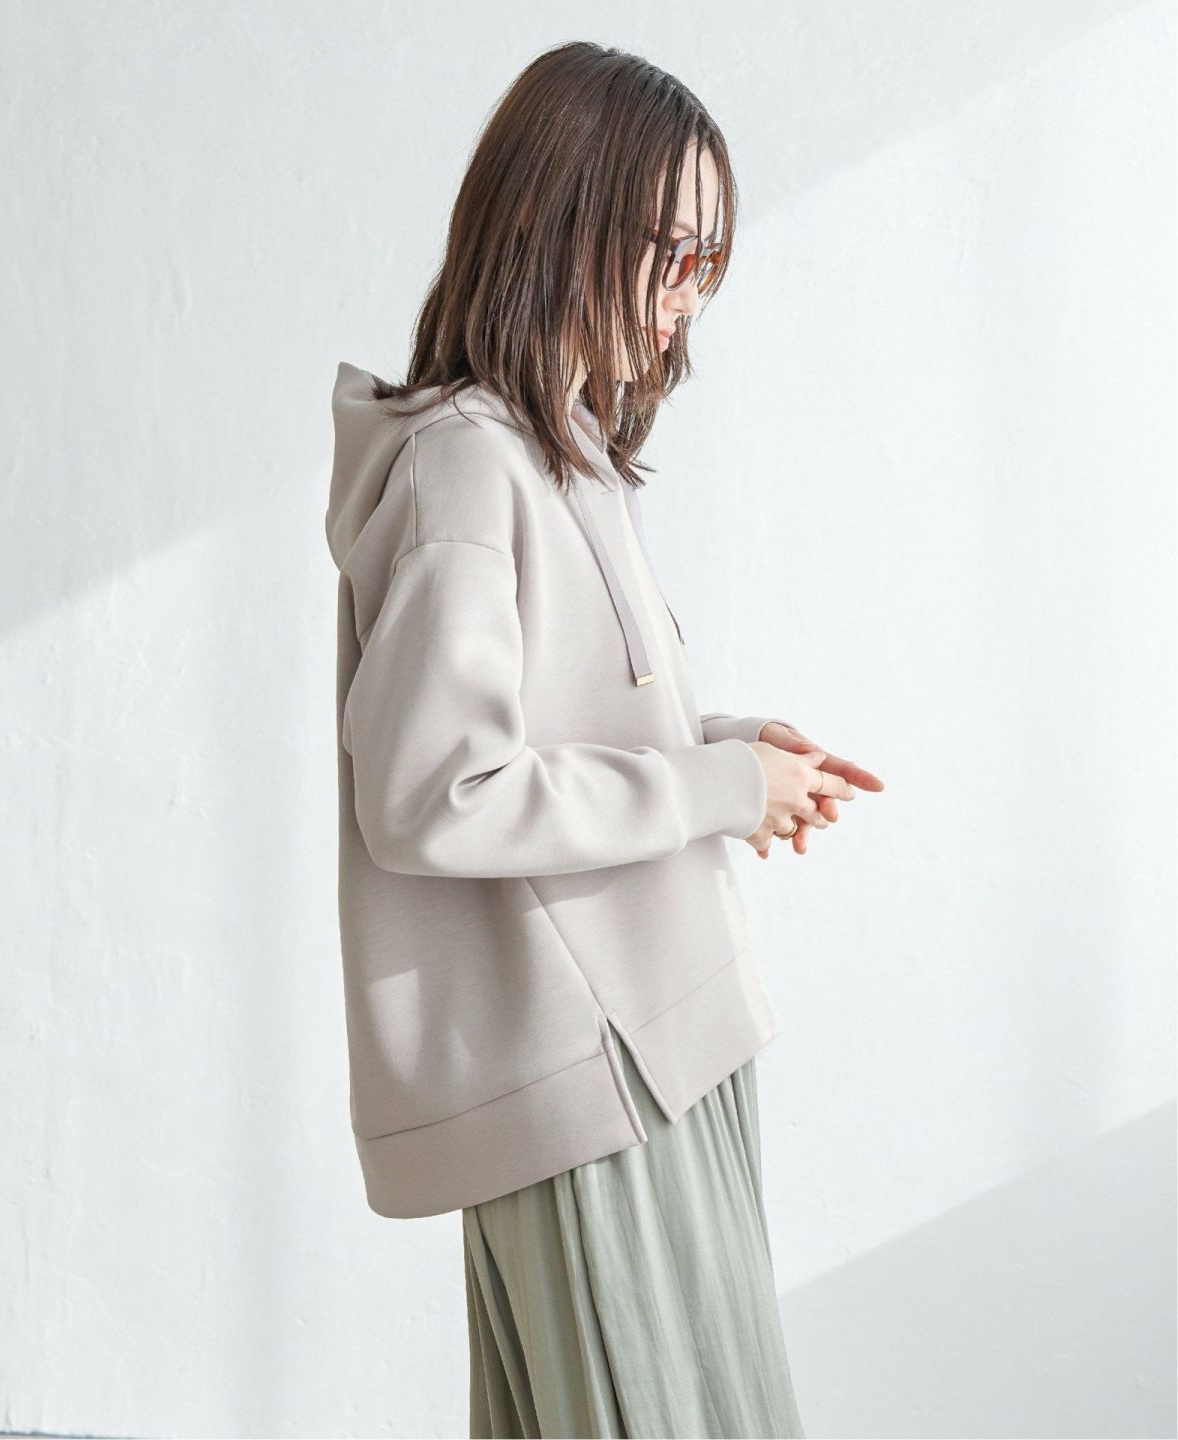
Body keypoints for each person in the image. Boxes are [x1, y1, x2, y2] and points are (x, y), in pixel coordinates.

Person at [325, 38, 884, 1440]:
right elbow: (439, 792)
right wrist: (717, 785)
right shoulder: (467, 462)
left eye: (712, 262)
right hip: (590, 1077)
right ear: (559, 220)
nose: (689, 297)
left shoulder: (559, 448)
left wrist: (740, 754)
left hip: (663, 1046)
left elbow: (565, 727)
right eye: (672, 252)